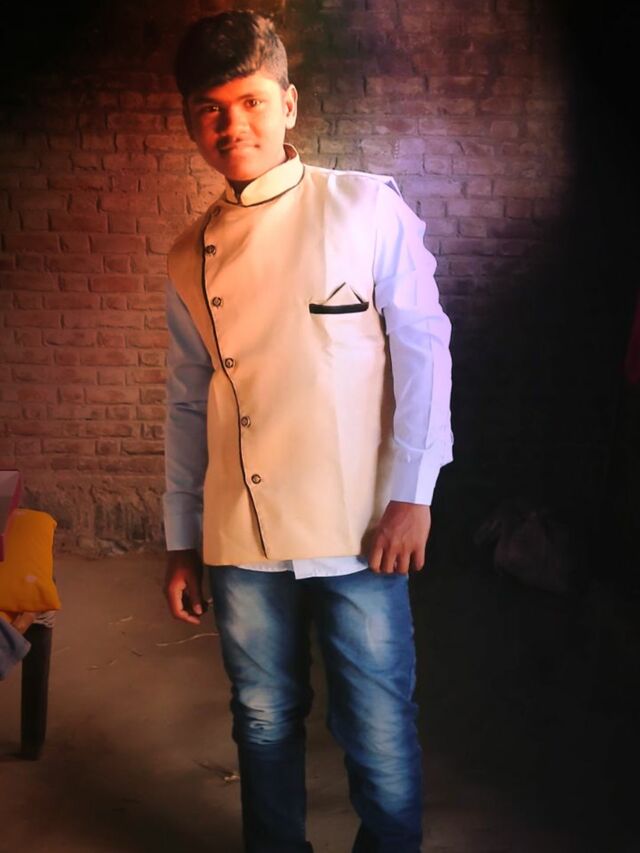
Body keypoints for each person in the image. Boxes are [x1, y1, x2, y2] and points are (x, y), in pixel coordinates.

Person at [162, 11, 453, 853]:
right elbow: (187, 402)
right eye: (210, 109)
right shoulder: (188, 253)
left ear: (287, 104)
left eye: (250, 101)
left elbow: (425, 352)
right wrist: (181, 539)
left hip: (359, 524)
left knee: (378, 723)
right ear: (192, 122)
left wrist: (414, 494)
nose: (232, 126)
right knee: (261, 716)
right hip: (241, 528)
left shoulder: (363, 206)